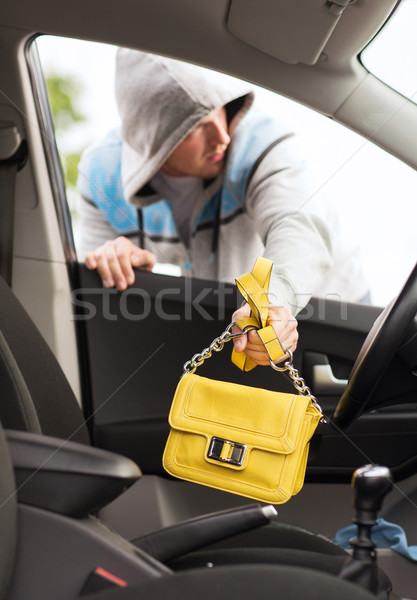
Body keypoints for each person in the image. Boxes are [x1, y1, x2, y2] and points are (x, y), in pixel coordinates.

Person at [76, 49, 368, 365]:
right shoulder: (100, 176)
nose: (221, 135)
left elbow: (298, 226)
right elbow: (98, 293)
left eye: (219, 109)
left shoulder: (261, 141)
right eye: (196, 127)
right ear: (153, 138)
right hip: (238, 330)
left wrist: (271, 305)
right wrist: (118, 264)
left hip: (335, 313)